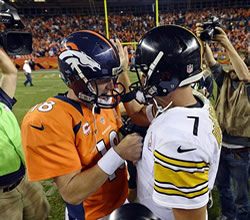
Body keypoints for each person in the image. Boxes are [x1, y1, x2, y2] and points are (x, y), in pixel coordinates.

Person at [21, 30, 143, 220]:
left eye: (112, 78)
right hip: (92, 215)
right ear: (77, 80)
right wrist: (118, 154)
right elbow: (72, 193)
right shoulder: (52, 119)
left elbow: (134, 112)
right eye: (103, 80)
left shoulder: (103, 101)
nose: (111, 86)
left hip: (119, 202)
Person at [118, 25, 222, 220]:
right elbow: (138, 115)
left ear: (165, 76)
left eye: (146, 72)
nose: (142, 79)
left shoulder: (178, 140)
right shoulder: (192, 101)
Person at [196, 24, 250, 220]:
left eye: (239, 62)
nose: (233, 66)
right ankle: (228, 216)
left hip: (240, 151)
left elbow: (245, 76)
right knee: (223, 188)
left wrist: (227, 43)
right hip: (221, 147)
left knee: (240, 194)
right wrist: (204, 41)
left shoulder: (248, 85)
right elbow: (210, 62)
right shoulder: (225, 80)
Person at [0, 49, 50, 219]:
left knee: (41, 215)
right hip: (2, 197)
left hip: (26, 180)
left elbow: (11, 72)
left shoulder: (1, 101)